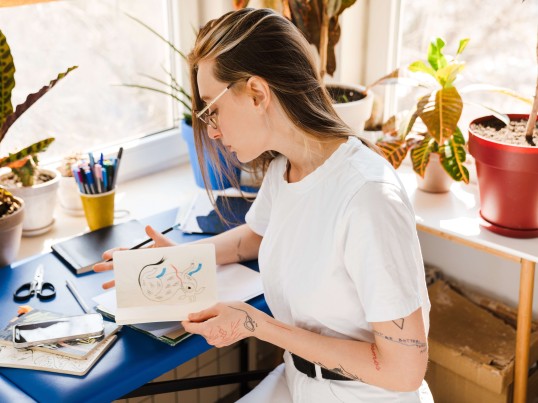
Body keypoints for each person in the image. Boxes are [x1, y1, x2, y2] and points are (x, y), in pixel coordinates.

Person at [95, 8, 432, 402]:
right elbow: (253, 238)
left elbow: (403, 370)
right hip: (299, 382)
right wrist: (178, 259)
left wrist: (256, 324)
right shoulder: (285, 169)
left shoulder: (369, 199)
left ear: (257, 93)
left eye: (212, 109)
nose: (213, 130)